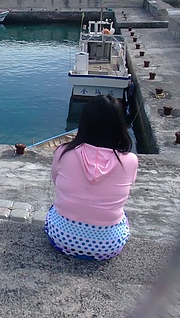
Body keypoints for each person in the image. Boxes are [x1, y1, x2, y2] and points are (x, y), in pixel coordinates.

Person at [45, 94, 138, 260]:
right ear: (119, 125)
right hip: (109, 245)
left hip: (61, 237)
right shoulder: (130, 160)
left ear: (84, 122)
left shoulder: (63, 152)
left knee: (55, 207)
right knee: (122, 214)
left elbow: (56, 181)